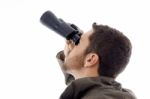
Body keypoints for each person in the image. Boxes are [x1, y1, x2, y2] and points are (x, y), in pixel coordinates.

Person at [56, 23, 136, 99]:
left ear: (90, 59)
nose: (72, 46)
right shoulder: (99, 94)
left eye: (78, 42)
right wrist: (69, 56)